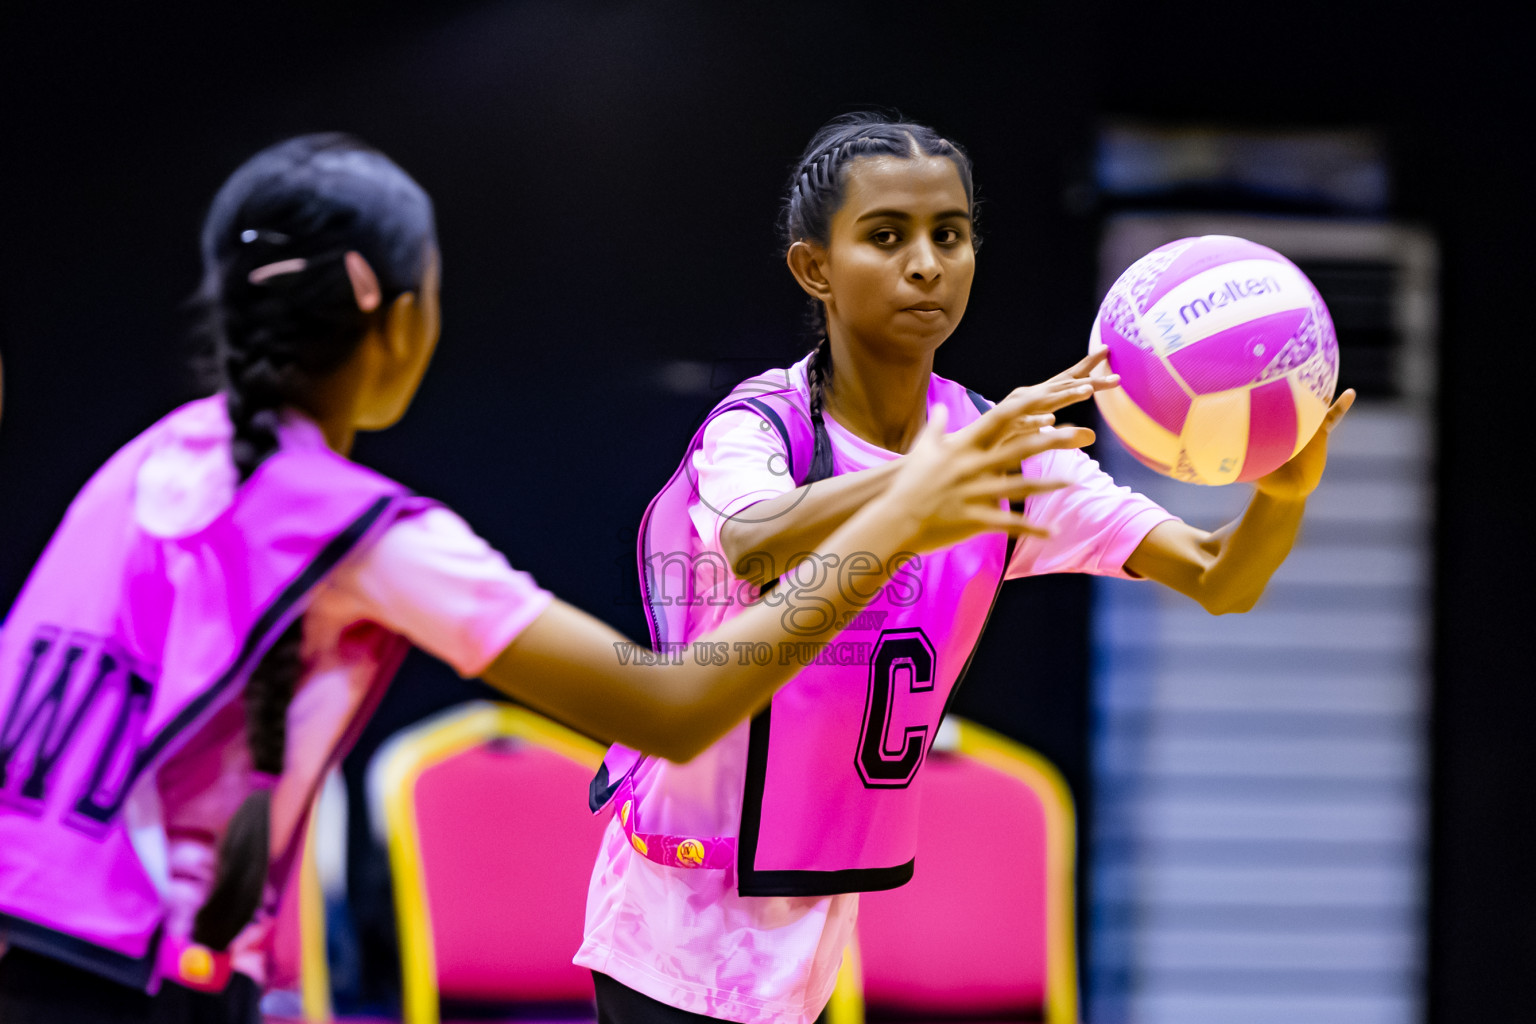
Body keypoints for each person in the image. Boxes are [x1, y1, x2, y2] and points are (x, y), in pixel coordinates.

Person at [0, 133, 1083, 1024]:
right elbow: (670, 705)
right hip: (116, 976)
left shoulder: (148, 456)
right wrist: (900, 514)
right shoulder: (368, 531)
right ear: (405, 319)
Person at [575, 111, 1356, 1023]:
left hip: (809, 913)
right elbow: (760, 540)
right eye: (886, 235)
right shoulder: (764, 426)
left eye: (949, 235)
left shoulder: (1006, 452)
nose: (925, 263)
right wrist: (941, 472)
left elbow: (1222, 579)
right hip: (678, 905)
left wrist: (1285, 493)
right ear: (814, 268)